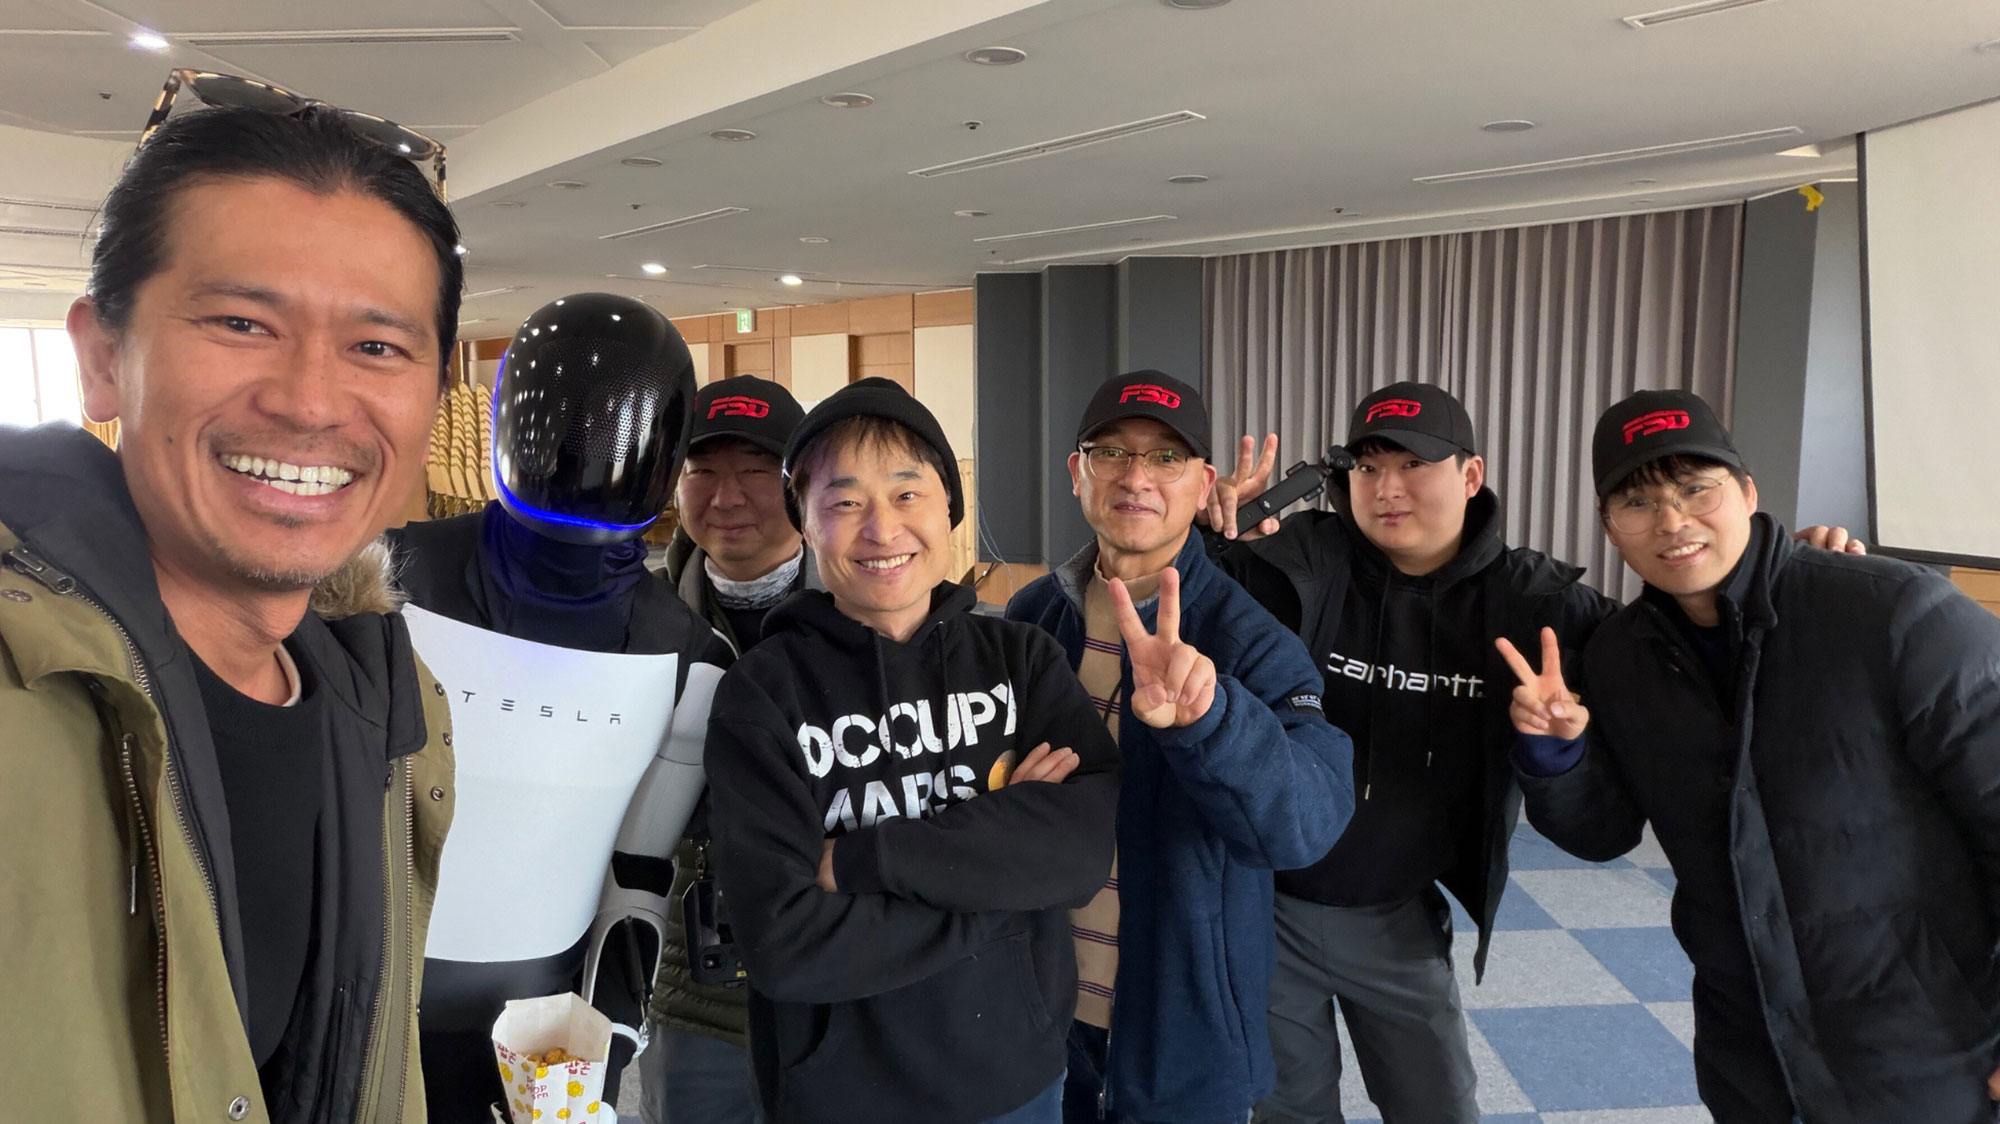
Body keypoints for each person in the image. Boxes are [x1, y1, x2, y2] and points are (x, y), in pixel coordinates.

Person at [0, 104, 459, 1122]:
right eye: (242, 324)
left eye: (377, 345)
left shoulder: (391, 704)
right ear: (103, 357)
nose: (309, 401)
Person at [1499, 389, 2000, 1124]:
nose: (1672, 522)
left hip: (1927, 1045)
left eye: (1696, 489)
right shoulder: (1617, 659)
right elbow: (1603, 833)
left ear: (1748, 493)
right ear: (1609, 526)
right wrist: (1556, 756)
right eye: (1638, 503)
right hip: (1748, 1043)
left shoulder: (1892, 614)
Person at [704, 378, 1121, 1124]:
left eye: (907, 494)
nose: (882, 529)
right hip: (839, 1097)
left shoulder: (1021, 660)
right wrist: (1004, 882)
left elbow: (1079, 856)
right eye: (844, 502)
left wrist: (862, 862)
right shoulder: (761, 693)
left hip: (1018, 1080)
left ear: (948, 508)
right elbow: (785, 944)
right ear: (805, 522)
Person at [1200, 382, 1615, 1124]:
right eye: (1368, 467)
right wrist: (1210, 531)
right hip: (1269, 907)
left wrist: (1800, 579)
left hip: (1398, 916)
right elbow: (1163, 595)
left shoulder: (1535, 602)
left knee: (1438, 1107)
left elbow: (1671, 649)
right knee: (1286, 1112)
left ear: (1471, 475)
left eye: (1413, 465)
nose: (1386, 489)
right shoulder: (1296, 562)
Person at [386, 293, 732, 1122]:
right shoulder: (376, 583)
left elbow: (640, 874)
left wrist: (610, 1032)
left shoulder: (691, 659)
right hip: (365, 994)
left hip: (547, 1025)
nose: (591, 451)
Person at [1007, 370, 1356, 1124]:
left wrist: (1212, 720)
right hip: (1032, 1014)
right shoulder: (1031, 618)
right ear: (1077, 473)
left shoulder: (1249, 637)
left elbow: (1307, 824)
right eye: (1111, 452)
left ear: (1203, 485)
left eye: (1166, 457)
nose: (1136, 477)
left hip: (1181, 1033)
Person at [644, 374, 810, 1124]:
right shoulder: (638, 624)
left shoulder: (868, 616)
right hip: (690, 985)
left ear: (802, 483)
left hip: (835, 971)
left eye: (755, 471)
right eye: (702, 470)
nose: (727, 496)